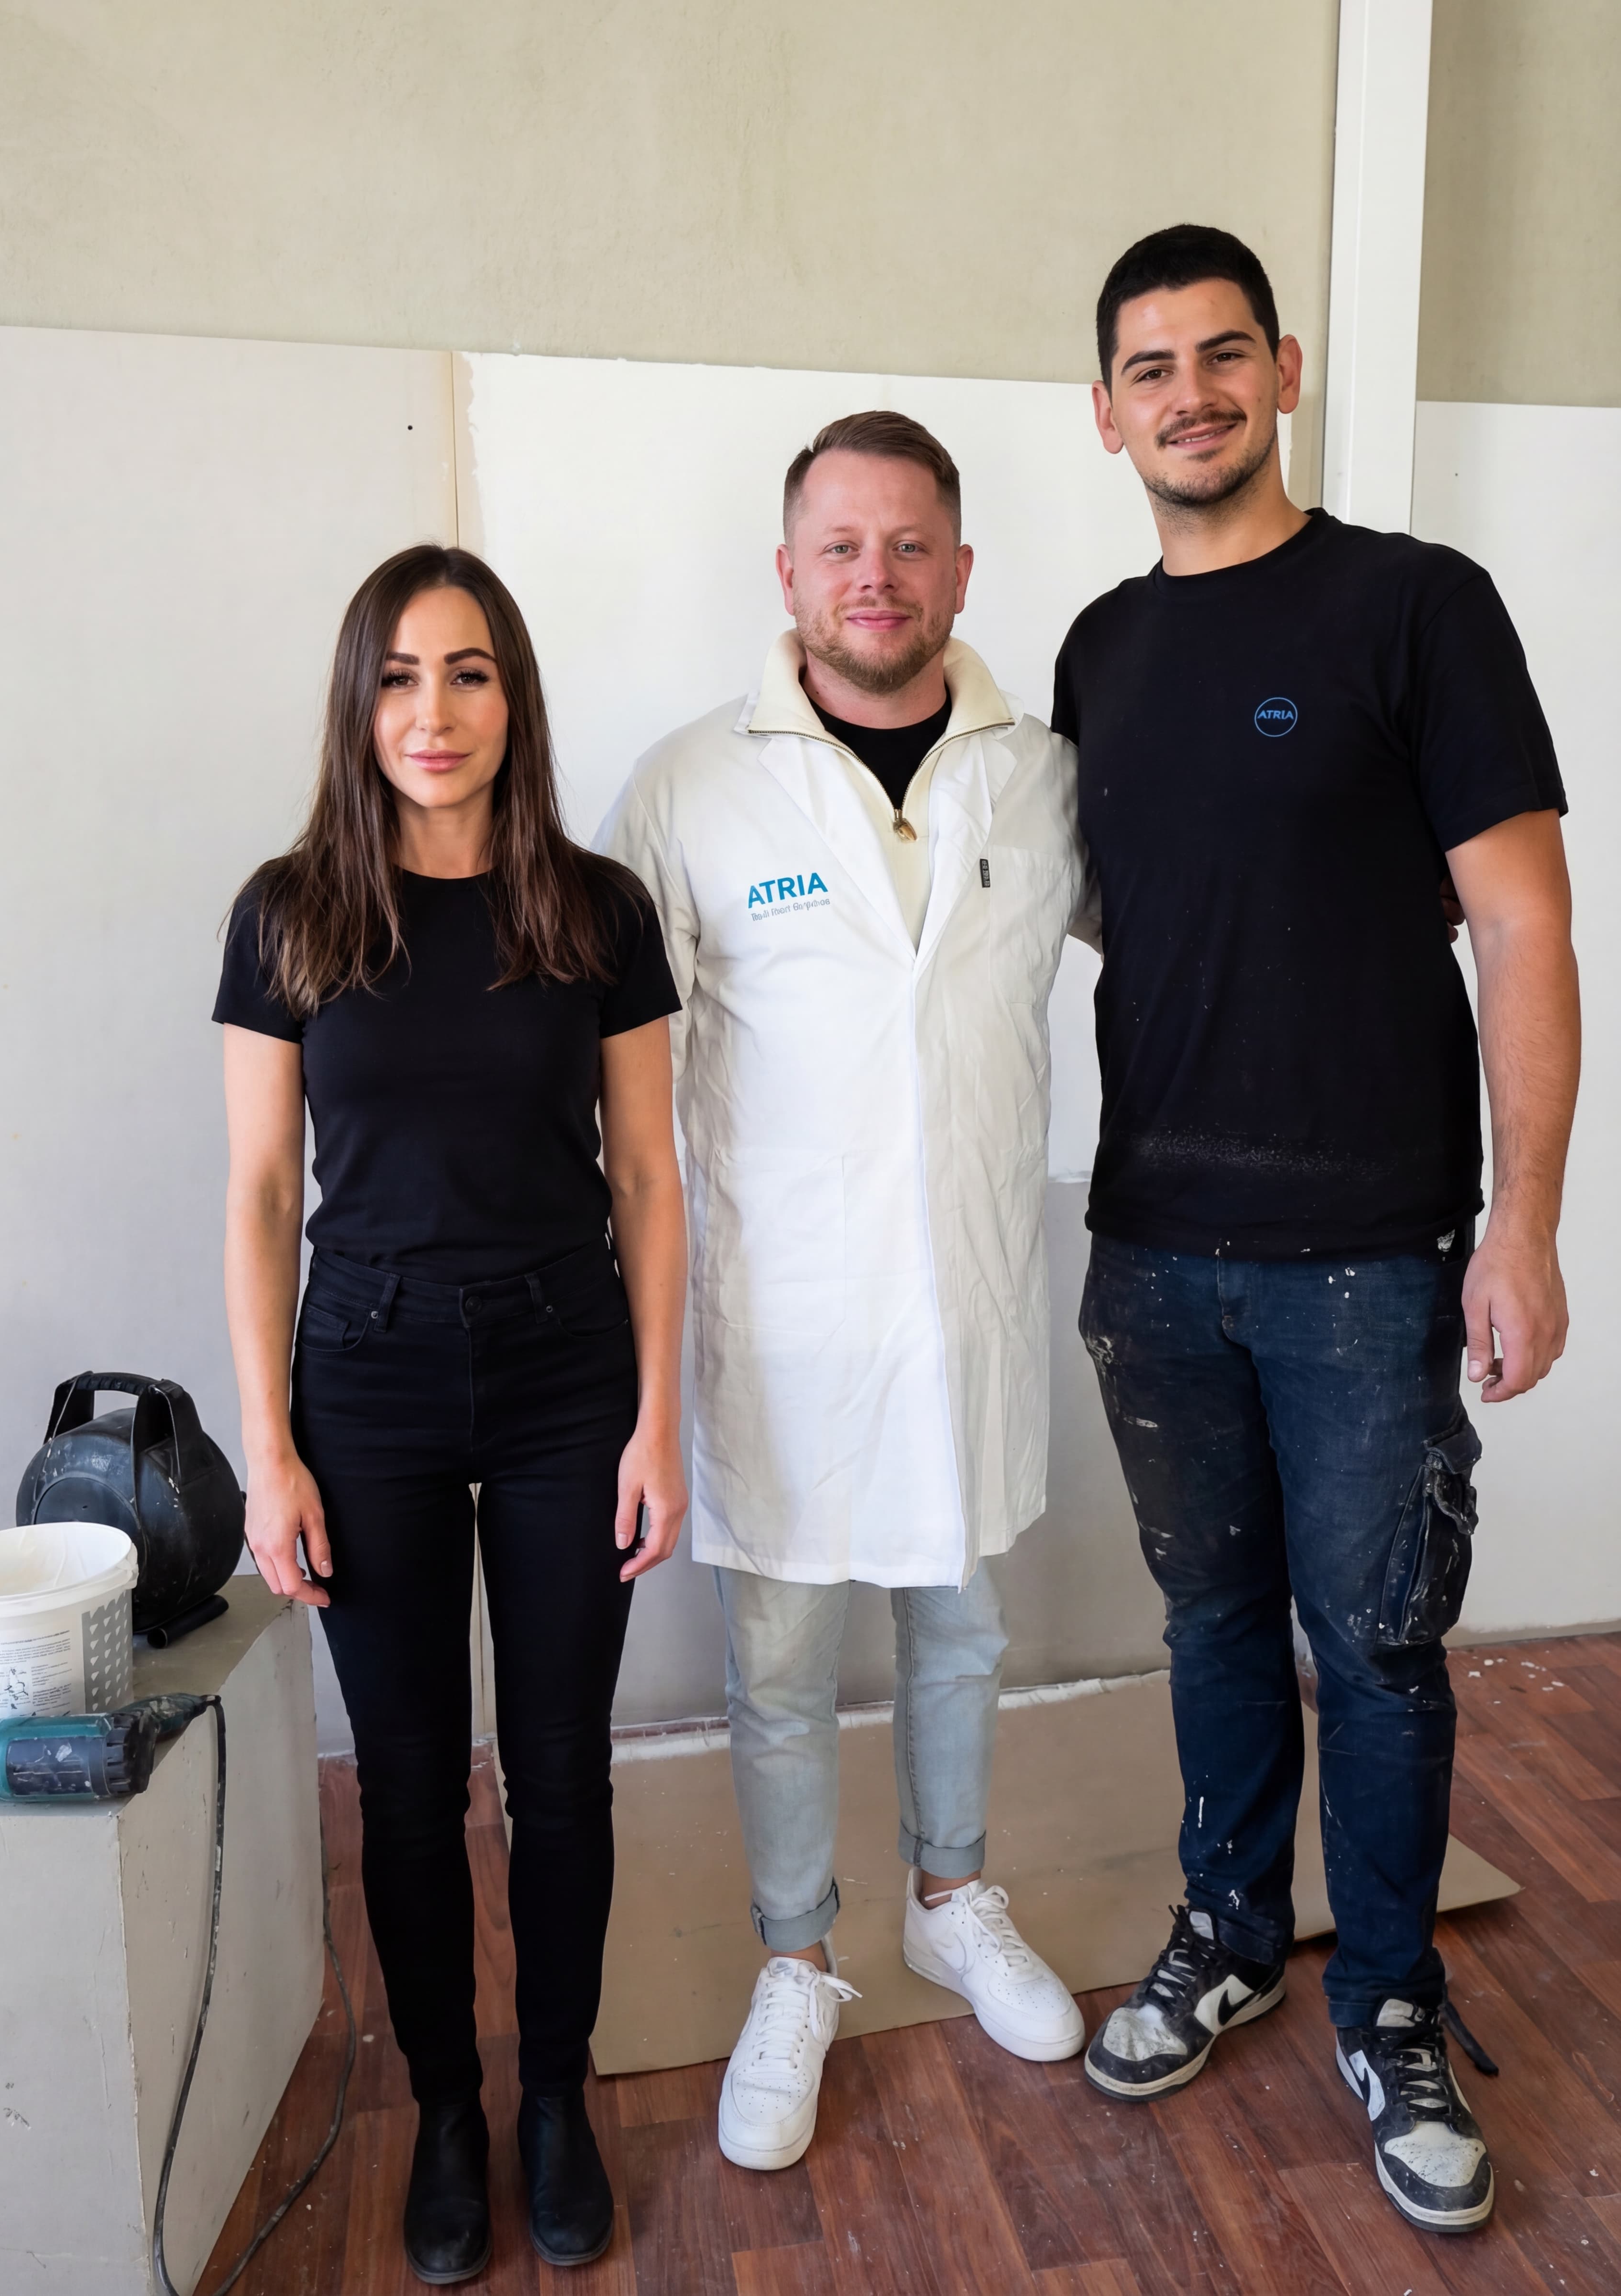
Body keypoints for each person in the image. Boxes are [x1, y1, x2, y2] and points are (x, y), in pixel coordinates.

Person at [1058, 225, 1579, 2236]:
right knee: (1207, 1627)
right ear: (1101, 411)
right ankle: (1226, 1930)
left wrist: (1517, 1225)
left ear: (1278, 369)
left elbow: (1522, 924)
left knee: (1370, 1651)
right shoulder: (1102, 651)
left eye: (1215, 356)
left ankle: (1391, 1998)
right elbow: (1124, 913)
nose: (1182, 394)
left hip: (1370, 1259)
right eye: (1143, 367)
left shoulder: (1411, 608)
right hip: (1150, 1250)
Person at [600, 411, 1091, 2176]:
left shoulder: (1042, 776)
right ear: (787, 572)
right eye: (839, 547)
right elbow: (602, 1058)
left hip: (962, 1295)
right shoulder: (685, 787)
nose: (873, 577)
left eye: (909, 547)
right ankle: (797, 1958)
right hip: (777, 1319)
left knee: (959, 1623)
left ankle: (954, 1896)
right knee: (786, 1658)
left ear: (962, 570)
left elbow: (1205, 918)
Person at [216, 544, 687, 2281]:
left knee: (560, 1778)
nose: (436, 710)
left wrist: (658, 1418)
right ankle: (448, 2112)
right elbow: (264, 1194)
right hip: (372, 1378)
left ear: (515, 697)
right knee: (410, 1790)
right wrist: (270, 1452)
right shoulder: (292, 914)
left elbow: (646, 1172)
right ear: (360, 701)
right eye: (402, 675)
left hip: (573, 1377)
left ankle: (553, 2095)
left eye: (471, 672)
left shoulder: (594, 906)